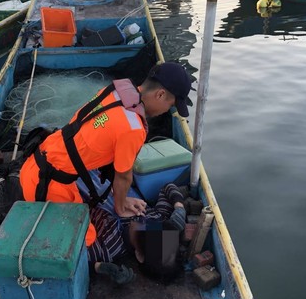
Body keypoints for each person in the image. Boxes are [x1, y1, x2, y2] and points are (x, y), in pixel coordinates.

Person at [18, 62, 193, 245]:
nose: (167, 110)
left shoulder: (115, 91)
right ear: (160, 94)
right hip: (47, 183)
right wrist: (120, 206)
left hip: (40, 158)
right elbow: (124, 176)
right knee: (86, 241)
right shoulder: (133, 128)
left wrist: (123, 198)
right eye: (170, 105)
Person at [89, 182, 188, 284]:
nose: (142, 219)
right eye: (151, 224)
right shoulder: (158, 218)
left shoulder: (109, 248)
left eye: (141, 228)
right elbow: (168, 187)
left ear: (139, 255)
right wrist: (179, 207)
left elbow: (80, 260)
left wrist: (99, 267)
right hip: (108, 182)